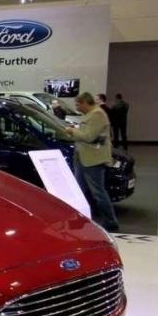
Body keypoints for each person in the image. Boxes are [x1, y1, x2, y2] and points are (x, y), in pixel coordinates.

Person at [59, 92, 119, 231]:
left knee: (98, 193)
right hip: (84, 159)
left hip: (93, 160)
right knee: (79, 192)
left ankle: (111, 222)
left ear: (86, 102)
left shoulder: (97, 114)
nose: (77, 107)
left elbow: (89, 136)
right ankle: (79, 219)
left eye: (78, 104)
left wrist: (72, 131)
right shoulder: (90, 114)